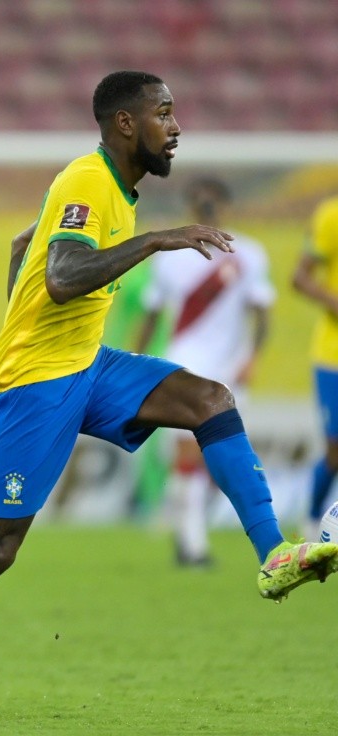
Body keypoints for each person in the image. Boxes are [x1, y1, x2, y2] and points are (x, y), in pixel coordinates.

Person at [0, 71, 338, 726]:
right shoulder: (89, 180)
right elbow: (63, 275)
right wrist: (155, 240)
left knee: (209, 400)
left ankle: (274, 554)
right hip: (36, 384)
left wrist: (31, 280)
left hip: (85, 365)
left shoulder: (109, 189)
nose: (177, 126)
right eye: (164, 113)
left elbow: (33, 248)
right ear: (125, 124)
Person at [134, 177, 275, 565]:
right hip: (186, 361)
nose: (207, 209)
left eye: (213, 203)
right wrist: (134, 362)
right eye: (201, 203)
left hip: (230, 365)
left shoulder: (249, 254)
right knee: (188, 452)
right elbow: (151, 315)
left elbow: (262, 313)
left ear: (226, 206)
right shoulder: (170, 257)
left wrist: (252, 357)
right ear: (191, 207)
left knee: (220, 459)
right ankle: (192, 543)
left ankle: (186, 525)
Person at [292, 194, 338, 540]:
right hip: (332, 356)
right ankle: (311, 524)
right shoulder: (331, 215)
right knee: (336, 448)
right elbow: (300, 277)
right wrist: (333, 302)